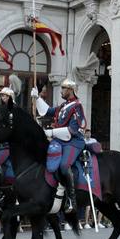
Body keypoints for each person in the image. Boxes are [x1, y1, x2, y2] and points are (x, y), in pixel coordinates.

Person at [47, 78, 86, 214]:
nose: (61, 91)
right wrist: (36, 97)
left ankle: (71, 199)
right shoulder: (63, 106)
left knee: (64, 166)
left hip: (74, 141)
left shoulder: (77, 106)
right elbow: (47, 111)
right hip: (60, 140)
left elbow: (73, 129)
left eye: (63, 88)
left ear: (70, 90)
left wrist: (51, 132)